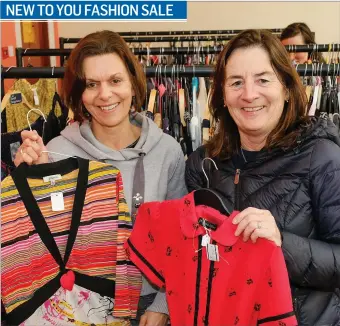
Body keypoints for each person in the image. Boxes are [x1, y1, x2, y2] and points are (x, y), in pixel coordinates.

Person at [14, 30, 187, 326]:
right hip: (78, 304)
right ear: (79, 92)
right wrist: (28, 181)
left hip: (150, 305)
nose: (105, 94)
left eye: (115, 81)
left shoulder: (167, 151)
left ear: (133, 82)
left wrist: (164, 303)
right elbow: (40, 246)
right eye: (92, 84)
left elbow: (181, 239)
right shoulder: (56, 152)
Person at [185, 29, 340, 325]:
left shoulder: (322, 158)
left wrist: (281, 243)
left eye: (263, 79)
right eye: (236, 82)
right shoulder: (203, 164)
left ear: (285, 86)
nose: (249, 94)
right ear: (222, 93)